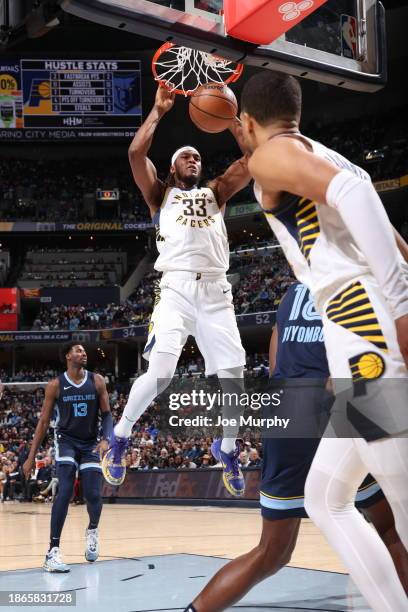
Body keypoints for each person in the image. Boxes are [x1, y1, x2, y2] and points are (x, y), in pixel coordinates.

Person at [236, 70, 408, 610]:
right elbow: (398, 245)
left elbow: (355, 195)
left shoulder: (271, 156)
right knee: (325, 496)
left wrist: (401, 310)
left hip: (366, 333)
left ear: (245, 122)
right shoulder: (327, 154)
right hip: (363, 335)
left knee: (405, 505)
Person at [186, 282, 408, 611]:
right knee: (390, 531)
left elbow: (276, 367)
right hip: (339, 400)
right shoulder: (358, 275)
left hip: (285, 407)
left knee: (271, 552)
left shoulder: (291, 292)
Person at [103, 85, 251, 496]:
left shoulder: (216, 193)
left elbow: (252, 160)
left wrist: (232, 119)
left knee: (235, 378)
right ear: (172, 166)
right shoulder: (160, 194)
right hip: (176, 290)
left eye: (198, 156)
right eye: (186, 156)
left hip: (217, 292)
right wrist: (158, 110)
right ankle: (120, 436)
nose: (194, 159)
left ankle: (226, 448)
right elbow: (136, 155)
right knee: (162, 372)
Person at [23, 342, 113, 573]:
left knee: (93, 494)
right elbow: (43, 422)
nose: (83, 353)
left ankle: (92, 529)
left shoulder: (97, 381)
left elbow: (107, 415)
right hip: (66, 441)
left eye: (84, 350)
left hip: (91, 442)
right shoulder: (55, 385)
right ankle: (52, 551)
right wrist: (31, 457)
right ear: (67, 356)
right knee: (64, 490)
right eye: (78, 350)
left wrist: (107, 439)